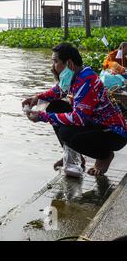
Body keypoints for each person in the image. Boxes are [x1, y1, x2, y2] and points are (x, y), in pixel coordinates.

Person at [22, 43, 127, 176]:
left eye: (55, 62)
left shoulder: (87, 80)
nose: (53, 66)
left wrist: (42, 116)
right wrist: (37, 98)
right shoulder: (76, 76)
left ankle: (104, 156)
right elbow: (59, 90)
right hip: (95, 124)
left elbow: (78, 119)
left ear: (69, 64)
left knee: (66, 133)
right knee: (55, 106)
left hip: (114, 133)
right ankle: (72, 156)